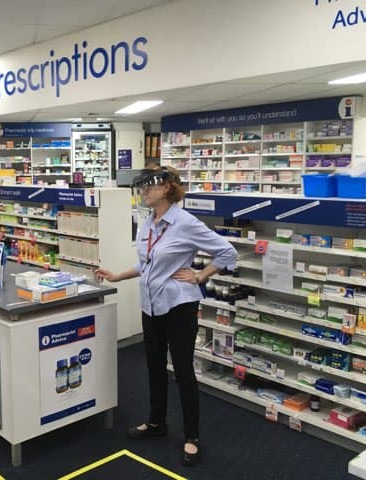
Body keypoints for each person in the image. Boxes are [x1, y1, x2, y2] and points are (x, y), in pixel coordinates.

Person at [95, 166, 237, 467]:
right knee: (154, 366)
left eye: (149, 186)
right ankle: (156, 422)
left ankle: (192, 437)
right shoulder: (148, 222)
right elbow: (147, 263)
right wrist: (118, 275)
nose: (144, 192)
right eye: (142, 187)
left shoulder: (185, 222)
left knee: (183, 371)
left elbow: (227, 252)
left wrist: (200, 276)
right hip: (150, 305)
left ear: (168, 188)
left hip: (178, 307)